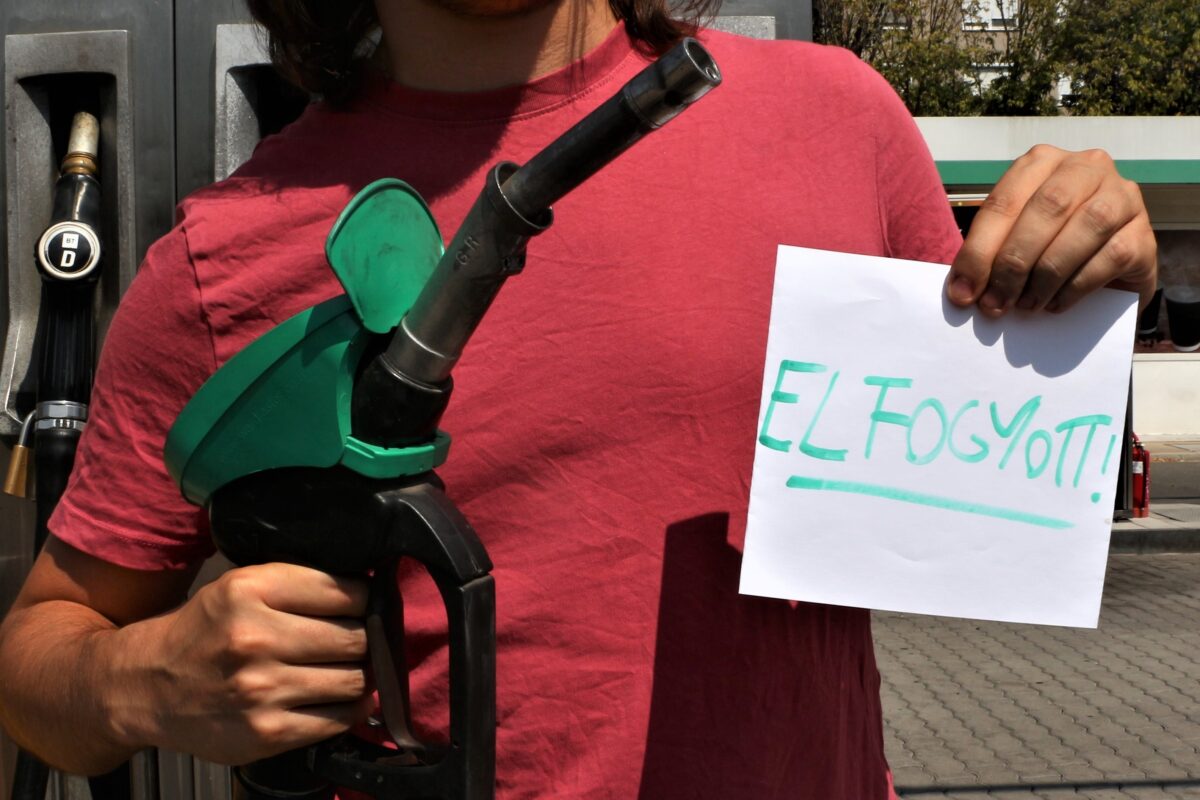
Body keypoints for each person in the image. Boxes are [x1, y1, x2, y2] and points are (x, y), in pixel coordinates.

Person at [0, 0, 1156, 797]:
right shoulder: (219, 258)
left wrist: (1087, 273)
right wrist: (144, 680)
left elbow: (1043, 480)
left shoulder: (834, 123)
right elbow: (37, 659)